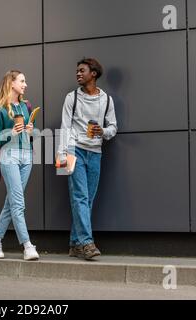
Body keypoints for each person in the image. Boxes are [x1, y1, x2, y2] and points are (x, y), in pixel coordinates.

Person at [56, 58, 117, 260]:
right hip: (75, 150)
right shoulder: (71, 98)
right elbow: (65, 127)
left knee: (87, 199)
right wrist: (62, 154)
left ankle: (75, 243)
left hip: (96, 152)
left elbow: (114, 127)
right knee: (80, 197)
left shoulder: (106, 100)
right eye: (77, 71)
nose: (78, 74)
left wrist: (103, 131)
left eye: (82, 70)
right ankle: (87, 243)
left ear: (94, 74)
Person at [0, 70, 39, 261]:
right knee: (18, 203)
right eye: (22, 81)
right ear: (11, 83)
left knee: (11, 202)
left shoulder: (27, 106)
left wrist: (31, 131)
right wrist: (12, 133)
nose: (25, 85)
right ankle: (27, 245)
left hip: (27, 157)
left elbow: (31, 136)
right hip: (9, 157)